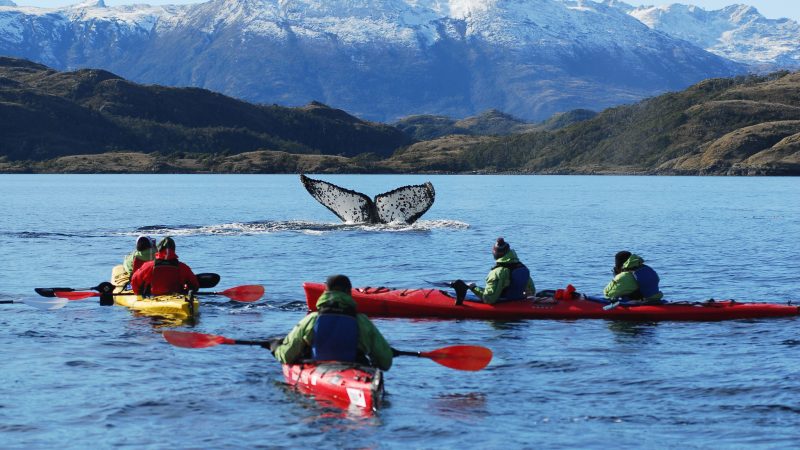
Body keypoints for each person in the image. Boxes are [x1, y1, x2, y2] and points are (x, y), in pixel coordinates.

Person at [269, 274, 394, 371]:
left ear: (325, 292)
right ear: (349, 293)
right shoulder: (362, 321)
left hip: (319, 370)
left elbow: (286, 356)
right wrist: (385, 352)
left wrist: (275, 347)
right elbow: (385, 362)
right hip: (356, 372)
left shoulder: (311, 319)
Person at [453, 237, 535, 305]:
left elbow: (489, 299)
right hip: (518, 302)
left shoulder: (497, 272)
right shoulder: (522, 268)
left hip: (503, 305)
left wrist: (473, 287)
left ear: (495, 253)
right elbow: (532, 292)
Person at [131, 237, 199, 296]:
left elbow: (134, 280)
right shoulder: (183, 267)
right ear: (174, 249)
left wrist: (139, 293)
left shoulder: (148, 266)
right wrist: (187, 291)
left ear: (158, 249)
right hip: (178, 299)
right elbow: (194, 285)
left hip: (152, 298)